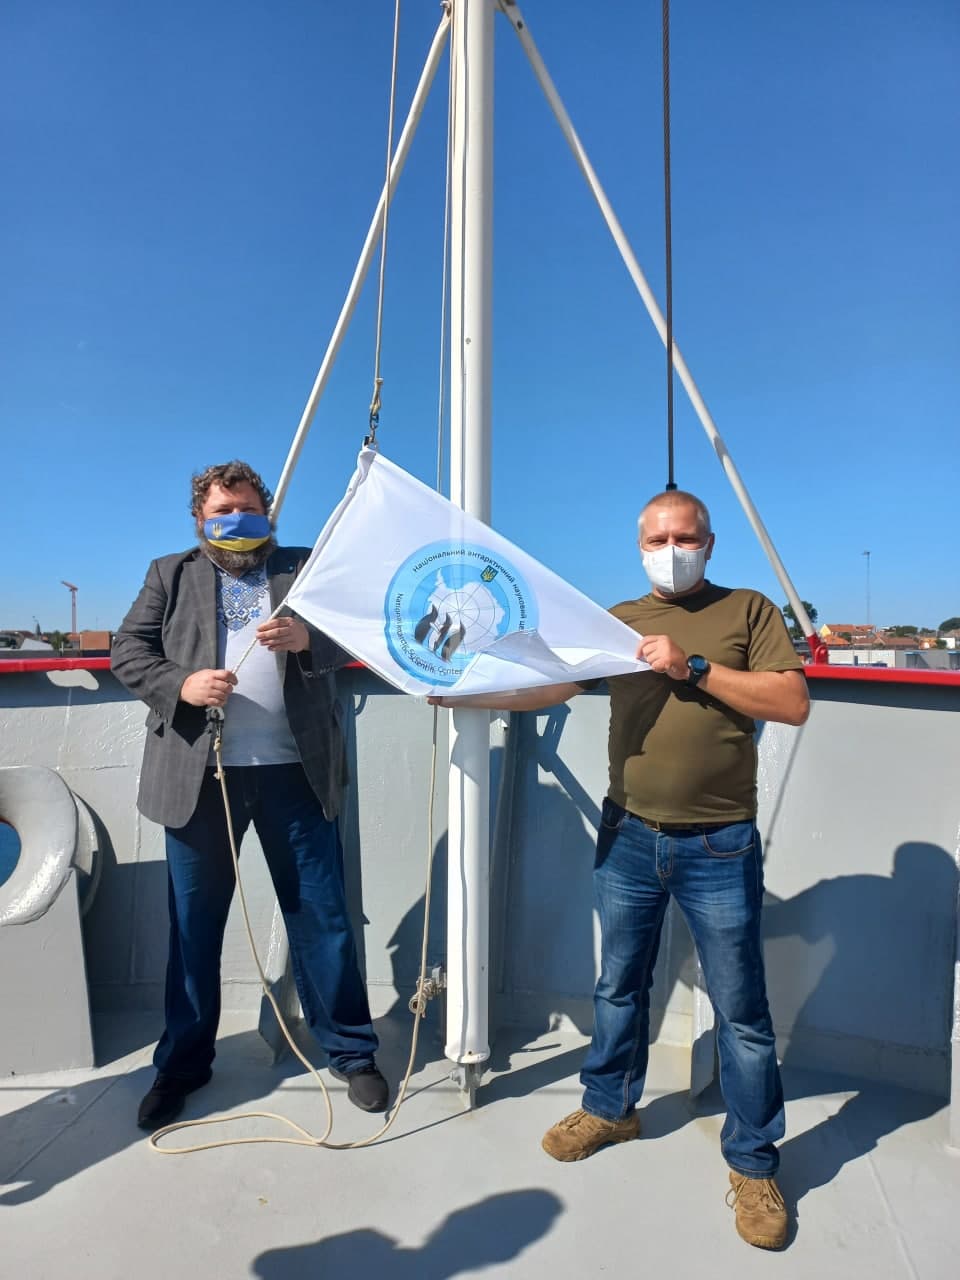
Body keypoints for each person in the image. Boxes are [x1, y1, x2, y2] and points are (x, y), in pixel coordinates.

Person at [430, 489, 809, 1251]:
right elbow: (557, 683)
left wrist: (691, 666)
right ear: (639, 546)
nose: (671, 551)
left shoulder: (748, 610)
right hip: (629, 833)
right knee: (618, 985)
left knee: (741, 1012)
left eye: (684, 538)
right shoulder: (619, 620)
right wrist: (467, 694)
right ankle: (610, 1109)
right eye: (657, 540)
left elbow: (791, 701)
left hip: (719, 843)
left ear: (709, 542)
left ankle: (753, 1162)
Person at [112, 460, 388, 1131]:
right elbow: (128, 650)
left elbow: (361, 630)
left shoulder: (305, 568)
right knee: (193, 927)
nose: (236, 521)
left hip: (297, 772)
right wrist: (180, 685)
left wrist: (310, 639)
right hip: (201, 779)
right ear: (199, 519)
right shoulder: (168, 574)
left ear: (269, 512)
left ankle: (351, 1051)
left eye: (248, 510)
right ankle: (182, 1066)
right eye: (222, 512)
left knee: (322, 916)